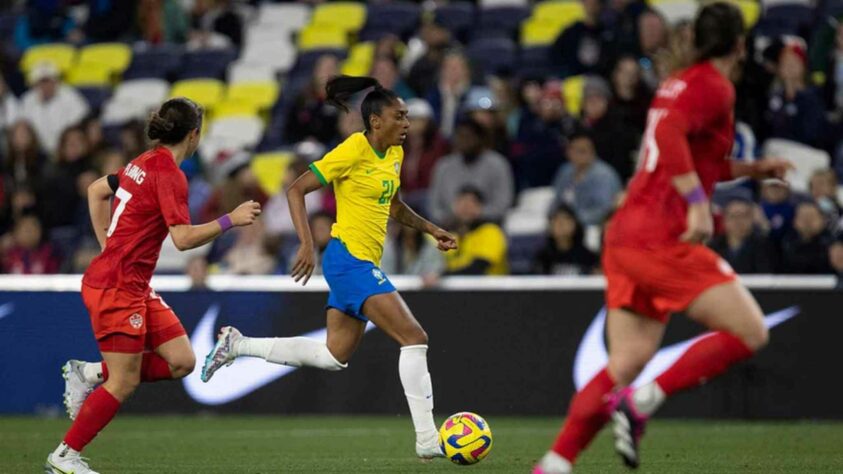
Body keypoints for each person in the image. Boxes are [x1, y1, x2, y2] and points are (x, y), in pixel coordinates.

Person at [534, 5, 793, 473]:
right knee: (751, 330)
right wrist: (696, 203)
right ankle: (644, 401)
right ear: (740, 44)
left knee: (626, 361)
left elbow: (695, 159)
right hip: (659, 235)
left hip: (628, 233)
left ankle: (555, 463)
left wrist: (754, 170)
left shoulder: (680, 82)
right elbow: (672, 138)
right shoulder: (714, 85)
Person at [200, 76, 458, 459]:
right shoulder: (352, 149)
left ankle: (237, 344)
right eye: (400, 117)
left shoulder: (395, 154)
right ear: (375, 122)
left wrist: (431, 229)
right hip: (347, 259)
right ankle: (426, 439)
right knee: (414, 337)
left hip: (357, 262)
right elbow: (296, 189)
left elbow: (394, 204)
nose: (407, 124)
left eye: (407, 117)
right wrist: (307, 244)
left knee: (334, 357)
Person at [45, 98, 261, 474]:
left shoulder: (141, 163)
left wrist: (107, 244)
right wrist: (230, 219)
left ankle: (89, 373)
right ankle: (64, 456)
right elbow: (181, 238)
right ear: (194, 135)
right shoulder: (169, 174)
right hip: (116, 287)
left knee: (182, 361)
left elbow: (97, 190)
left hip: (133, 284)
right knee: (124, 381)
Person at [428, 119, 514, 225]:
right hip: (449, 227)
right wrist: (452, 215)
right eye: (460, 137)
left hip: (487, 227)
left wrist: (478, 213)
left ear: (480, 139)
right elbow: (433, 206)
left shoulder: (498, 164)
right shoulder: (444, 166)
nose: (463, 141)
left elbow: (503, 204)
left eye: (468, 137)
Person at [551, 130, 623, 226]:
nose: (580, 155)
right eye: (576, 150)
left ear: (592, 151)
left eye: (584, 151)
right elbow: (557, 200)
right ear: (568, 152)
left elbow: (605, 210)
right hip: (566, 225)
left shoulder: (604, 175)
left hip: (595, 227)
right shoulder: (565, 172)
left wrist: (575, 221)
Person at [19, 61, 89, 155]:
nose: (45, 86)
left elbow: (79, 124)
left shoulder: (70, 96)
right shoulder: (27, 100)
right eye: (41, 82)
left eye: (48, 81)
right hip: (37, 152)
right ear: (35, 84)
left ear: (56, 81)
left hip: (66, 150)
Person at [443, 186, 508, 275]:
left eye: (471, 204)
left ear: (480, 208)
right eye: (461, 203)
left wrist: (441, 276)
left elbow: (478, 268)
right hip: (452, 287)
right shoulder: (446, 236)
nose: (465, 208)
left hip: (488, 287)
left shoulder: (491, 231)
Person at [708, 198, 776, 274]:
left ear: (751, 219)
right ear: (724, 220)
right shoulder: (713, 247)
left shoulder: (764, 246)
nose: (738, 221)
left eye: (743, 216)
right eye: (733, 216)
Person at [533, 204, 598, 275]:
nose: (561, 224)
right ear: (550, 227)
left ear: (575, 224)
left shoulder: (589, 258)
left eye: (566, 219)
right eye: (556, 220)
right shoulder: (543, 258)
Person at [779, 201, 834, 274]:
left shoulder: (832, 244)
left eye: (811, 217)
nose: (807, 221)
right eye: (803, 217)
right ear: (794, 222)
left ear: (822, 220)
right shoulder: (785, 243)